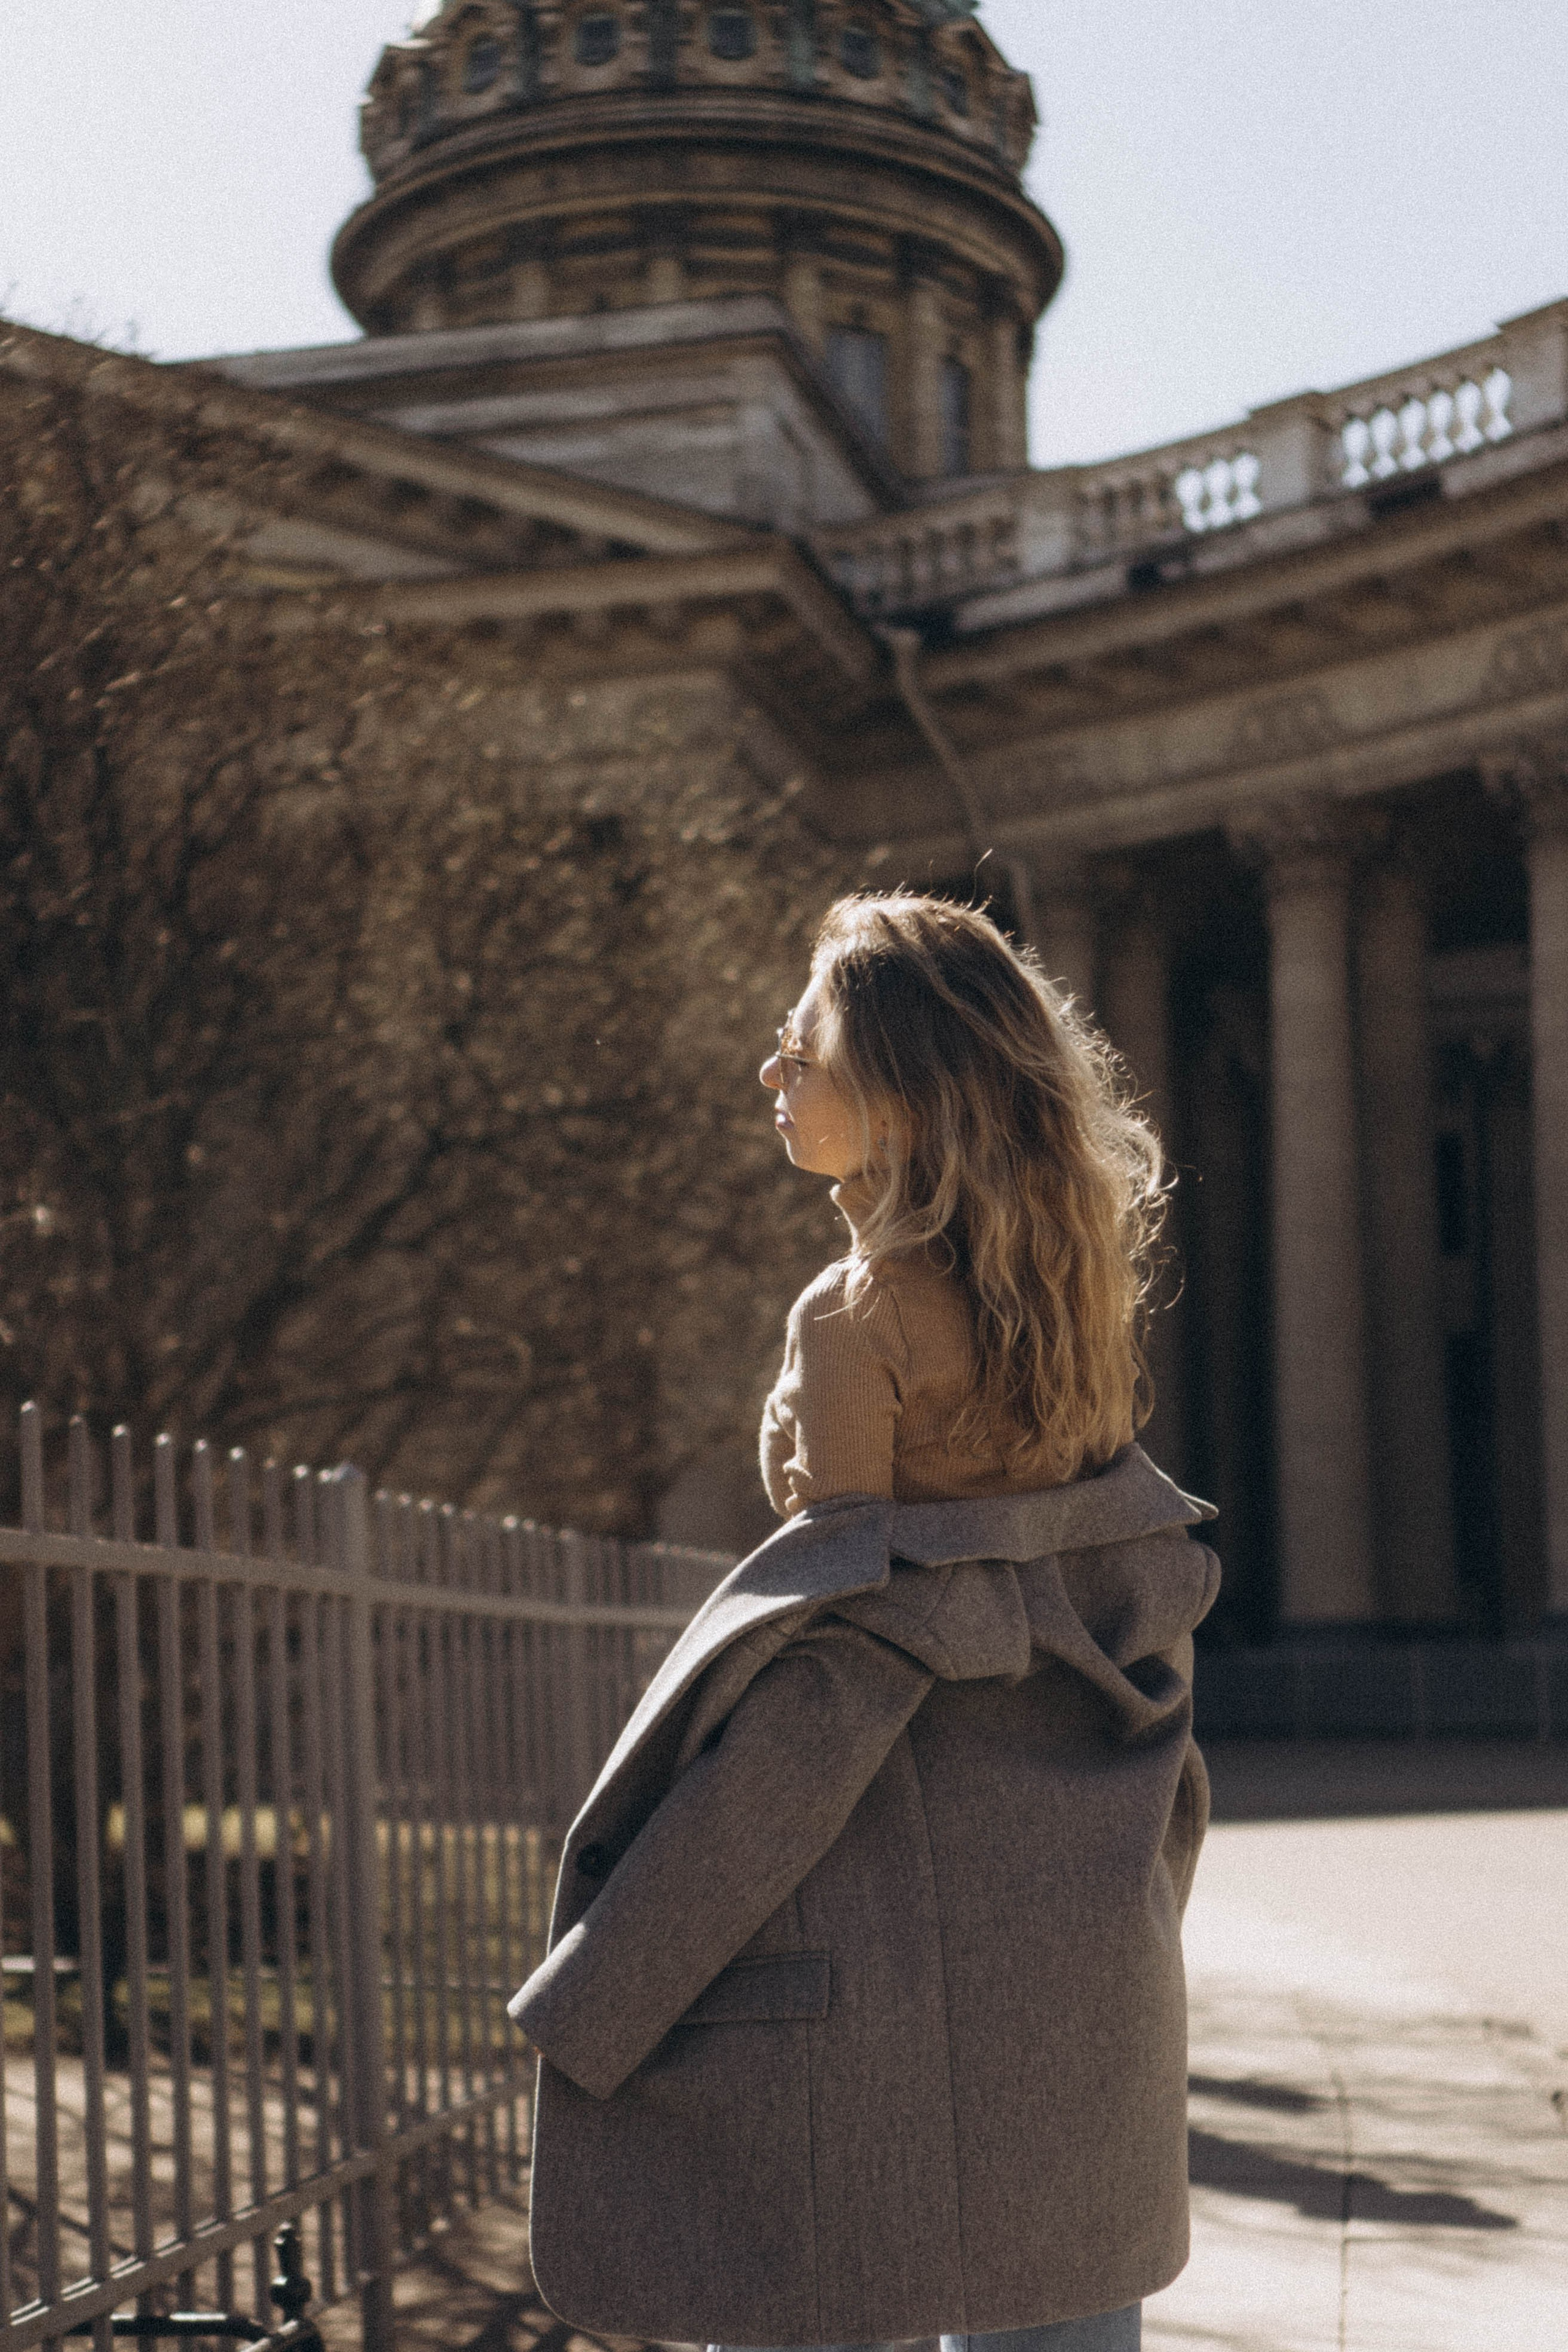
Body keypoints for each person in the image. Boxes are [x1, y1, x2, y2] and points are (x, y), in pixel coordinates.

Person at [510, 892, 1220, 2352]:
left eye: (799, 1048)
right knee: (1062, 2298)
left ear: (895, 1087)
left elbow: (832, 1672)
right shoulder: (1068, 1309)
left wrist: (619, 1959)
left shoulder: (855, 1318)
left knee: (817, 2279)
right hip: (1075, 1931)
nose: (770, 1076)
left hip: (882, 1924)